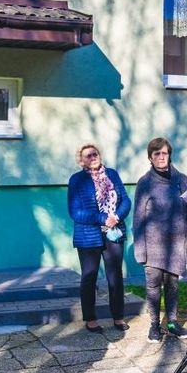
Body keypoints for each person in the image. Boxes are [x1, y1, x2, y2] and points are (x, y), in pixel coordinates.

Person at [133, 138, 187, 343]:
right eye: (156, 154)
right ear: (150, 158)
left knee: (172, 286)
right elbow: (138, 218)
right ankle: (154, 325)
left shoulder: (182, 181)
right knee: (153, 287)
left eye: (165, 153)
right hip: (153, 247)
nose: (161, 157)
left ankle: (171, 323)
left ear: (170, 155)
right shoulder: (145, 183)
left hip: (176, 246)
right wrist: (140, 251)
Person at [67, 143, 132, 334]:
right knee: (89, 276)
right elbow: (75, 212)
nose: (92, 157)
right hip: (88, 236)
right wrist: (103, 218)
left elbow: (126, 200)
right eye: (88, 156)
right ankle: (91, 318)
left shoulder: (112, 174)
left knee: (115, 277)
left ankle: (118, 316)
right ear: (81, 160)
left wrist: (116, 217)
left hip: (114, 232)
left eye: (95, 154)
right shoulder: (77, 180)